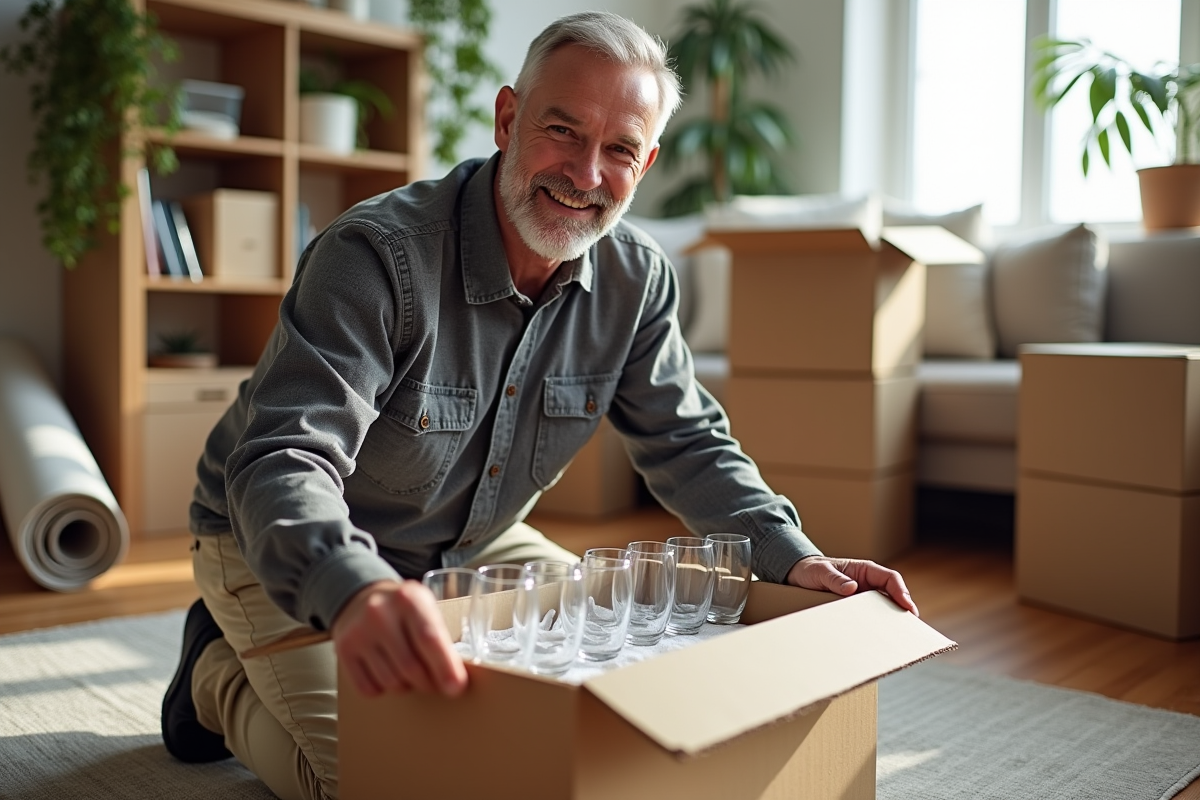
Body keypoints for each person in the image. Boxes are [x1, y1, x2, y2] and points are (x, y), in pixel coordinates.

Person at [161, 11, 918, 800]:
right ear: (507, 119)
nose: (586, 174)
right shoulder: (374, 256)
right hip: (285, 542)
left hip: (475, 541)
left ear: (646, 163)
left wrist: (792, 556)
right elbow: (286, 458)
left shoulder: (638, 279)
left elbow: (688, 441)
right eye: (563, 131)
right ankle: (218, 679)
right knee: (383, 778)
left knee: (623, 694)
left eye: (620, 149)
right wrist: (354, 588)